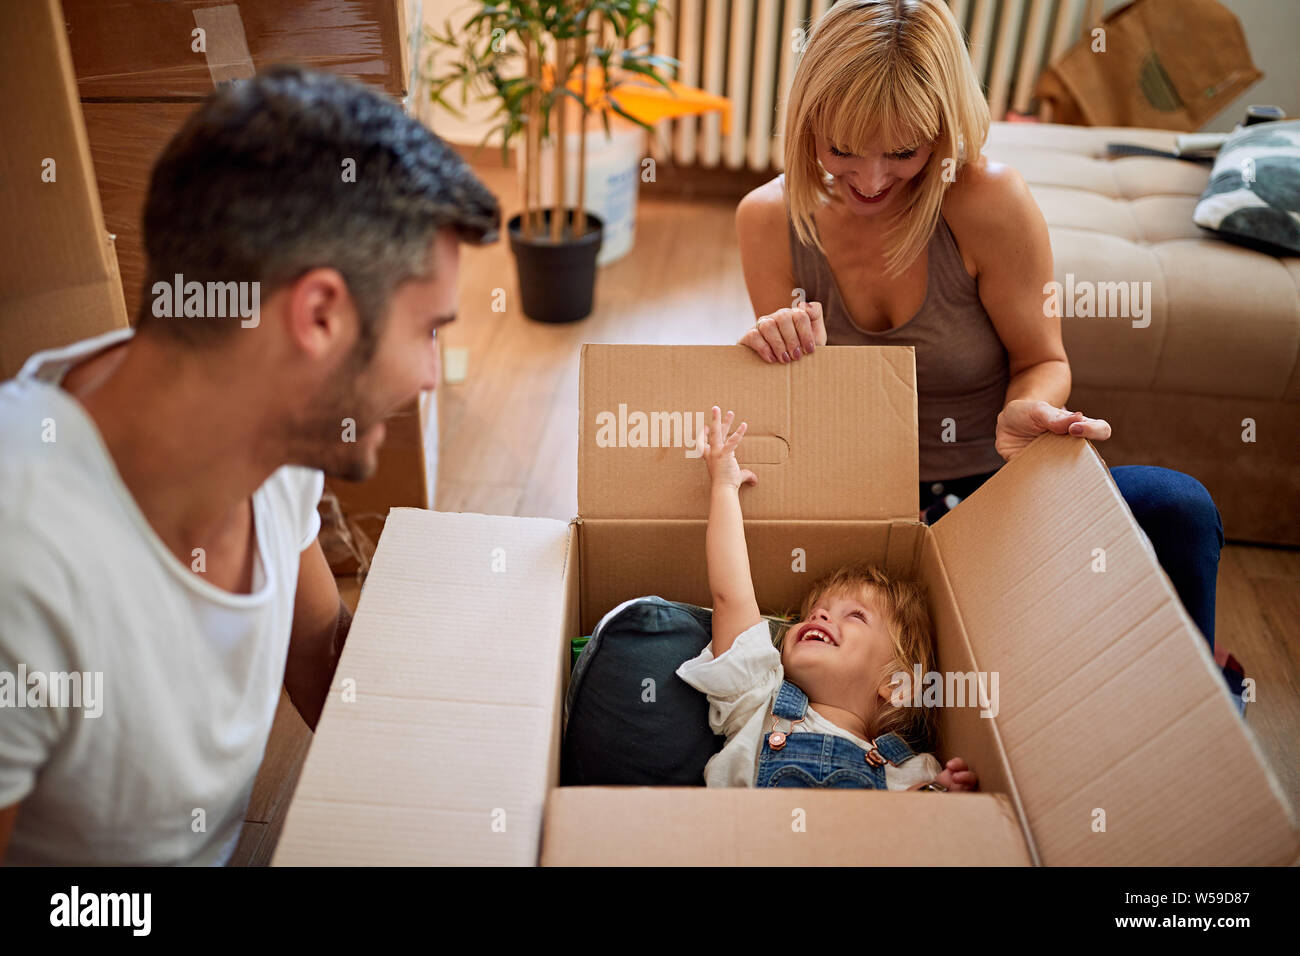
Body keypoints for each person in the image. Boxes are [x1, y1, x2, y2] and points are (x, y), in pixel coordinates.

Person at [0, 66, 499, 864]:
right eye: (429, 330)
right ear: (320, 316)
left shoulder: (273, 433)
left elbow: (315, 651)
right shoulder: (21, 557)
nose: (431, 374)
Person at [734, 0, 1225, 661]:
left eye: (904, 151)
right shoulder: (767, 220)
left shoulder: (989, 201)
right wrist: (773, 361)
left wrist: (1030, 408)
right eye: (841, 149)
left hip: (987, 491)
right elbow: (793, 420)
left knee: (1178, 506)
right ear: (807, 125)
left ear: (941, 130)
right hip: (856, 509)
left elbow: (1042, 358)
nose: (872, 180)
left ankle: (1198, 696)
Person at [676, 407, 978, 791]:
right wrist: (723, 487)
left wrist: (942, 796)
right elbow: (730, 594)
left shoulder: (914, 769)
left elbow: (911, 841)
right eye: (814, 611)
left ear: (897, 685)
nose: (818, 615)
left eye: (855, 616)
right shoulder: (757, 697)